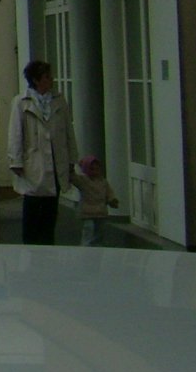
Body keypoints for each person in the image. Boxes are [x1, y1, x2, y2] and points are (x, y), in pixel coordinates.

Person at [7, 59, 78, 245]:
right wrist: (16, 161)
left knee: (50, 211)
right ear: (36, 80)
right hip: (33, 161)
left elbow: (68, 131)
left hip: (55, 161)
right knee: (32, 207)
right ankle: (30, 249)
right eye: (46, 76)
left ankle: (48, 247)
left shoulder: (59, 101)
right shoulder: (21, 102)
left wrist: (72, 159)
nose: (51, 80)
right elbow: (15, 133)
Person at [73, 154, 119, 246]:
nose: (95, 172)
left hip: (100, 212)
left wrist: (112, 200)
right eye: (91, 169)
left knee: (99, 232)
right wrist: (72, 168)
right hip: (87, 213)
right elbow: (74, 179)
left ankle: (97, 246)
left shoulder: (103, 182)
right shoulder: (83, 180)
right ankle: (86, 246)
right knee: (88, 229)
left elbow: (109, 192)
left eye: (97, 169)